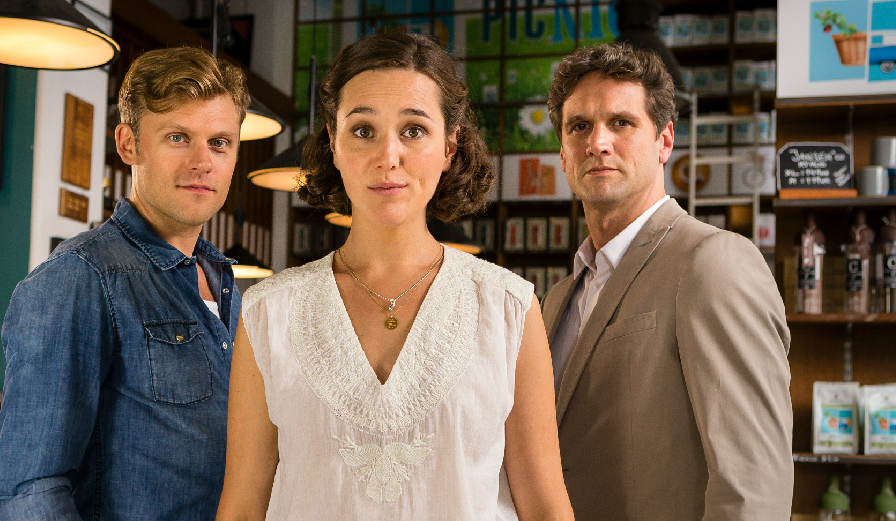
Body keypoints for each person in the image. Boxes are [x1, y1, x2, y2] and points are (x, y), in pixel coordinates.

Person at [215, 32, 573, 520]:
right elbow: (242, 508)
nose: (388, 155)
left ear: (450, 146)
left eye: (414, 130)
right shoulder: (267, 314)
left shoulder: (508, 308)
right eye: (363, 130)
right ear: (333, 144)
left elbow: (547, 509)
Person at [0, 47, 248, 519]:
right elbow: (27, 488)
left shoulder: (226, 286)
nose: (202, 161)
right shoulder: (78, 277)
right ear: (128, 145)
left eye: (219, 142)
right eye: (178, 137)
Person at [540, 42, 793, 520]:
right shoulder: (555, 301)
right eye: (579, 126)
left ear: (665, 141)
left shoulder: (712, 263)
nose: (598, 142)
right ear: (563, 154)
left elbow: (753, 488)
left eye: (621, 122)